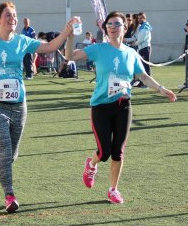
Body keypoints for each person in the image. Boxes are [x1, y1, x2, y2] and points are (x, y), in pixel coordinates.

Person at [0, 1, 78, 213]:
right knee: (4, 151)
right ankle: (9, 195)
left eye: (15, 15)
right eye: (8, 15)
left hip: (19, 105)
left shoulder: (22, 41)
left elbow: (50, 47)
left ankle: (7, 182)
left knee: (12, 154)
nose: (13, 19)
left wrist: (67, 30)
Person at [66, 11, 177, 204]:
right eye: (109, 24)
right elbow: (70, 56)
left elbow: (142, 76)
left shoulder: (131, 53)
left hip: (123, 106)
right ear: (105, 28)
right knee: (104, 152)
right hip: (101, 106)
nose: (113, 27)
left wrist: (160, 89)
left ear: (125, 28)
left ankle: (113, 189)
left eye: (117, 24)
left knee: (118, 151)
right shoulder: (98, 49)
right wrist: (70, 34)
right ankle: (91, 163)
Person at [133, 12, 152, 87]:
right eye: (138, 18)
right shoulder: (142, 26)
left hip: (144, 48)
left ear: (144, 18)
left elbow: (141, 39)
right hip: (142, 48)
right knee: (142, 66)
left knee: (146, 66)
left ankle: (147, 83)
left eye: (141, 18)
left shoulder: (145, 27)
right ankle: (142, 82)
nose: (139, 19)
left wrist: (135, 43)